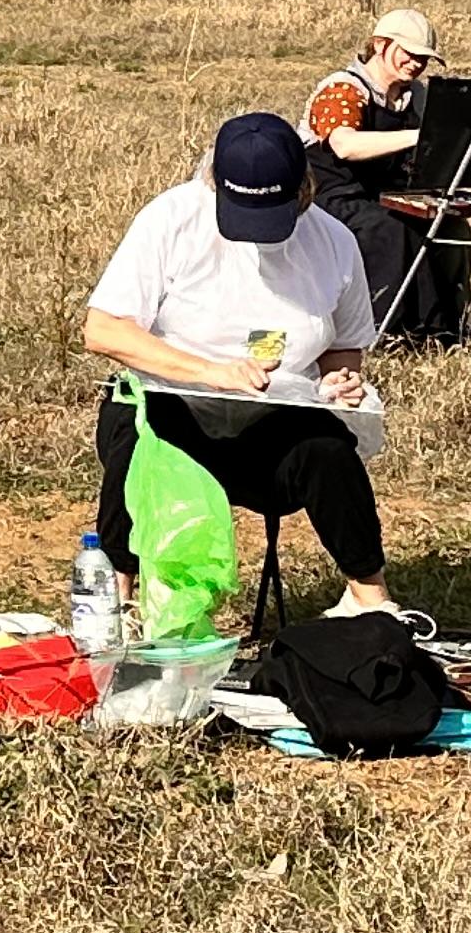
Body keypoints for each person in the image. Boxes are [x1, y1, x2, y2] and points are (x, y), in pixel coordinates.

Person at [83, 114, 399, 624]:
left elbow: (342, 347)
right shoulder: (171, 219)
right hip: (175, 411)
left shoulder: (335, 243)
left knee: (328, 449)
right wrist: (210, 372)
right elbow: (103, 329)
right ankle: (117, 602)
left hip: (272, 428)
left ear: (304, 188)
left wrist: (338, 381)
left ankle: (370, 598)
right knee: (134, 433)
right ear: (215, 183)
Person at [302, 7, 455, 343]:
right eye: (410, 54)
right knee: (386, 227)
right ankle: (380, 330)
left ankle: (437, 327)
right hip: (326, 196)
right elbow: (343, 145)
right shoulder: (343, 89)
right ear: (380, 45)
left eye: (423, 58)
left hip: (380, 193)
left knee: (442, 224)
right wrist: (422, 136)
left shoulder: (416, 97)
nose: (416, 64)